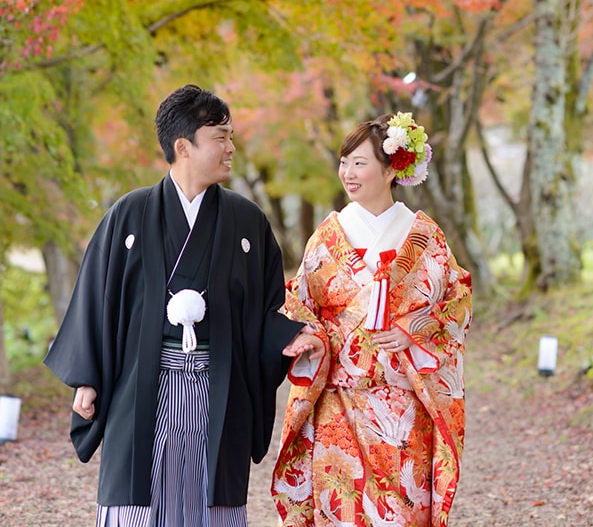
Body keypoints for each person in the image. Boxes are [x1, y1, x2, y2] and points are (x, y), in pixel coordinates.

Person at [44, 84, 323, 527]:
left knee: (209, 503)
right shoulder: (129, 214)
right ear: (183, 146)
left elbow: (264, 309)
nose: (232, 148)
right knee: (138, 505)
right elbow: (97, 300)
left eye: (231, 137)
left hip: (218, 385)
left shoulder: (247, 221)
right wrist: (87, 379)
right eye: (221, 137)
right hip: (141, 386)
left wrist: (290, 336)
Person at [272, 112, 472, 527]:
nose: (348, 172)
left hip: (403, 401)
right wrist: (309, 336)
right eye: (344, 162)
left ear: (391, 168)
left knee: (400, 509)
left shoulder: (423, 234)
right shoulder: (328, 234)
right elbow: (299, 302)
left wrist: (414, 330)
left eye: (359, 162)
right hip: (338, 398)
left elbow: (457, 299)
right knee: (341, 508)